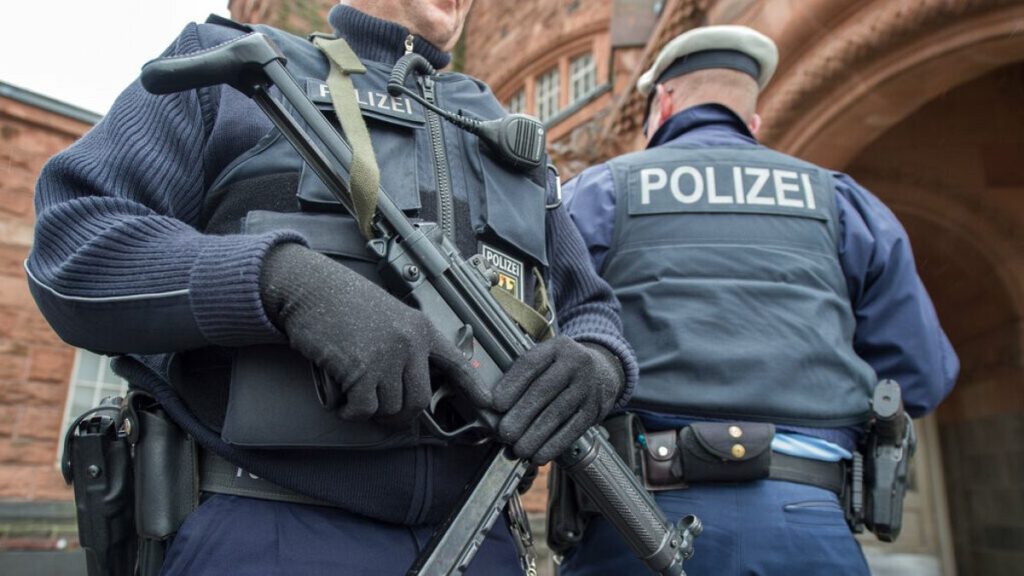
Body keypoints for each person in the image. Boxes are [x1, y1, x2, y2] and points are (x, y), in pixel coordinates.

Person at [28, 1, 637, 574]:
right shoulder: (228, 64)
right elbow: (74, 242)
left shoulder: (507, 136)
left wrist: (596, 365)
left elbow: (590, 310)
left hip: (485, 542)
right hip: (264, 528)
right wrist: (281, 283)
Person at [559, 25, 958, 575]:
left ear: (664, 103)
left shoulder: (599, 193)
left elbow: (537, 339)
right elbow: (920, 376)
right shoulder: (841, 202)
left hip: (638, 522)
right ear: (753, 123)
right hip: (809, 522)